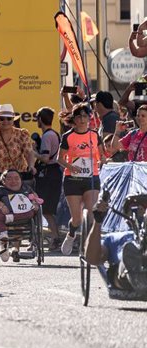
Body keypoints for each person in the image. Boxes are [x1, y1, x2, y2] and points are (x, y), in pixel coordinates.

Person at [59, 104, 105, 256]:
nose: (82, 119)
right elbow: (60, 159)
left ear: (89, 118)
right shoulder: (68, 136)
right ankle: (71, 234)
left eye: (85, 116)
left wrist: (103, 160)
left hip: (91, 178)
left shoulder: (95, 135)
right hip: (72, 179)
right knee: (77, 219)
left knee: (91, 214)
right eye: (79, 116)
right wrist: (71, 167)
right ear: (74, 119)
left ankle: (89, 246)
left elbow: (102, 155)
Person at [83, 194, 147, 296]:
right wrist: (97, 222)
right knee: (130, 250)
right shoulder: (114, 238)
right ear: (127, 216)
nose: (141, 211)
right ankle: (136, 276)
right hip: (125, 278)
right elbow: (92, 259)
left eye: (143, 208)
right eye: (135, 208)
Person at [0, 170, 44, 262]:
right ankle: (4, 238)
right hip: (3, 215)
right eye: (9, 179)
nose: (13, 181)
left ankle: (14, 247)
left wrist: (34, 203)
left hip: (22, 217)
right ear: (3, 181)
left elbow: (35, 198)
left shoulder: (26, 188)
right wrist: (2, 206)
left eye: (16, 178)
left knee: (31, 210)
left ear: (21, 180)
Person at [0, 103, 37, 185]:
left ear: (13, 120)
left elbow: (29, 152)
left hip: (19, 178)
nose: (6, 121)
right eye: (2, 119)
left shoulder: (22, 134)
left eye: (9, 118)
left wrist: (31, 166)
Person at [34, 107, 64, 246]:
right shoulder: (55, 134)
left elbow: (45, 158)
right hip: (55, 172)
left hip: (49, 174)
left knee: (45, 208)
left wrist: (34, 152)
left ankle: (55, 237)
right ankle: (55, 236)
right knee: (48, 208)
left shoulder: (47, 135)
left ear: (40, 119)